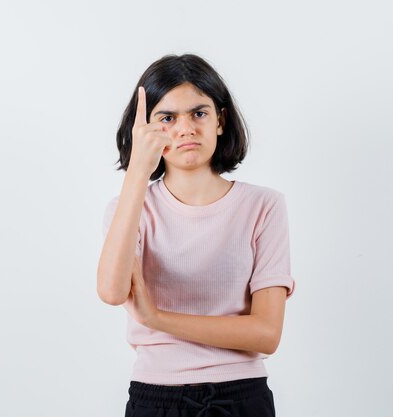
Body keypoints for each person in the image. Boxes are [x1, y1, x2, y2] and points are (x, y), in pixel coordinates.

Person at [97, 53, 296, 417]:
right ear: (145, 129)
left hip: (241, 396)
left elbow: (267, 334)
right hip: (155, 397)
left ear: (220, 120)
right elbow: (111, 291)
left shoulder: (264, 206)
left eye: (199, 113)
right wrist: (138, 172)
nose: (185, 128)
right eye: (167, 118)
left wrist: (157, 319)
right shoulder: (128, 207)